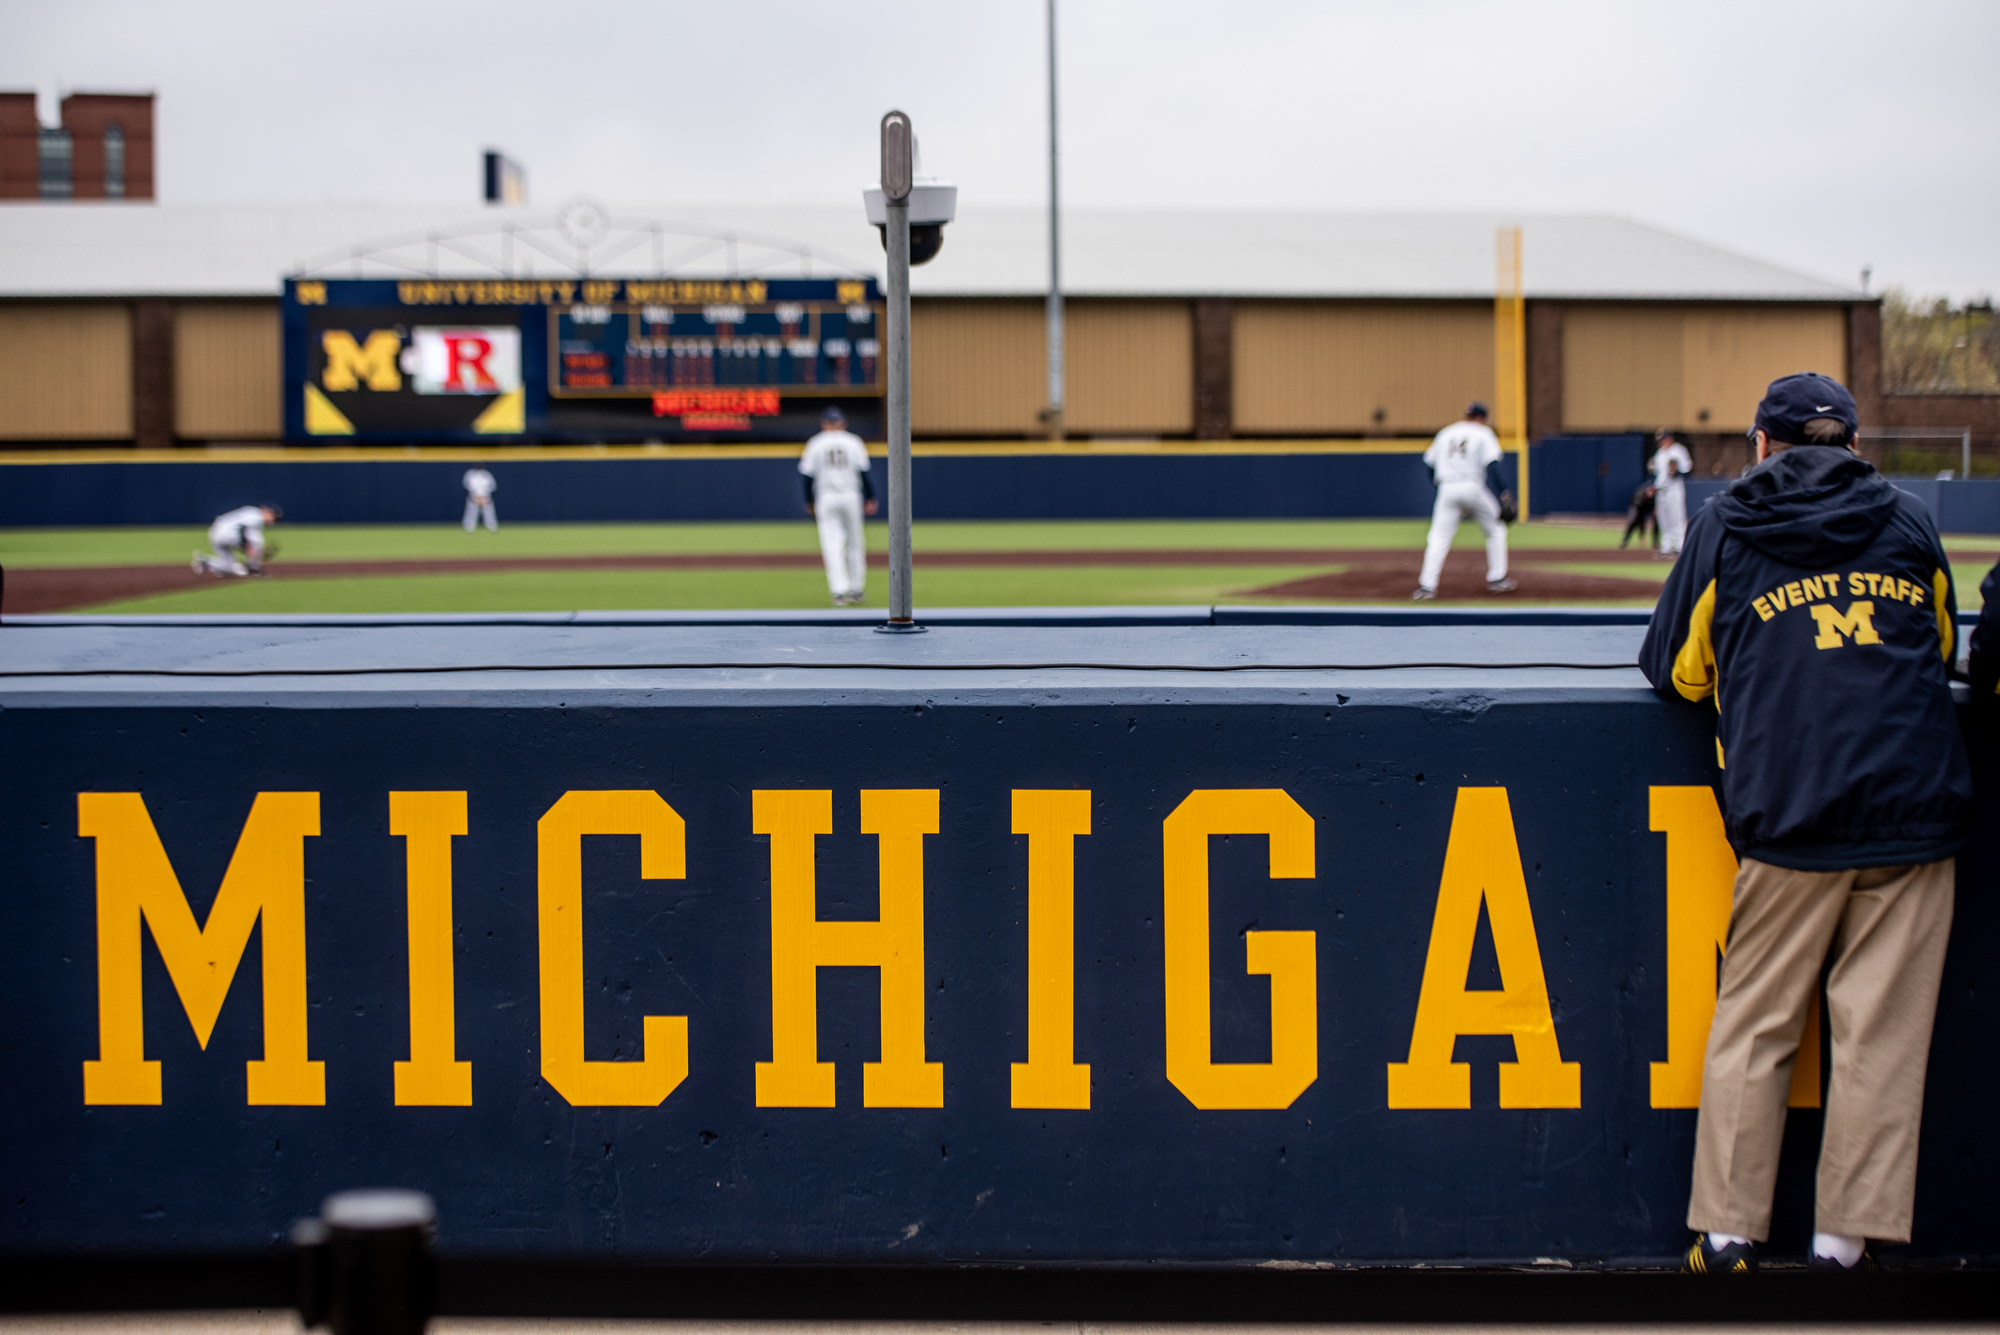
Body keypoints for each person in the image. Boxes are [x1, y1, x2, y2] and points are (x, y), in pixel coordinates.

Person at [1640, 372, 1971, 1274]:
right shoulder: (1908, 520)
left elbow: (1674, 668)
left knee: (1754, 1025)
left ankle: (1730, 1234)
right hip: (1914, 804)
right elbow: (1940, 648)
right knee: (1881, 1038)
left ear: (1760, 444)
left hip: (1791, 807)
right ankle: (1840, 1247)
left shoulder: (1724, 524)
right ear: (1854, 444)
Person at [1412, 401, 1515, 601]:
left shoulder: (1445, 433)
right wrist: (1504, 493)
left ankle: (1427, 587)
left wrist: (1443, 488)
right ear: (1482, 418)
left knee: (1438, 538)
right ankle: (1497, 579)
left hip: (1446, 488)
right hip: (1472, 486)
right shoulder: (1483, 432)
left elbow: (1430, 467)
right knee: (1495, 530)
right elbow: (1492, 466)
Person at [799, 406, 877, 606]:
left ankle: (838, 591)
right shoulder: (853, 441)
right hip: (851, 495)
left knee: (831, 545)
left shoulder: (816, 442)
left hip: (826, 497)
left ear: (824, 423)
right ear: (843, 422)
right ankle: (856, 589)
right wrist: (870, 497)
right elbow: (863, 473)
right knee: (855, 542)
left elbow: (807, 477)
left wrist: (809, 502)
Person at [192, 504, 281, 577]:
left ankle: (205, 562)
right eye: (273, 516)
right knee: (257, 540)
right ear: (266, 511)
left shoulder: (253, 513)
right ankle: (253, 569)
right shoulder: (257, 516)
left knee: (229, 568)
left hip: (216, 532)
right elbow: (242, 529)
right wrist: (247, 547)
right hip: (226, 532)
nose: (273, 520)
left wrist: (247, 548)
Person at [1649, 429, 1693, 559]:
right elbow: (1658, 475)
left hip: (1674, 489)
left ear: (1669, 438)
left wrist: (1677, 472)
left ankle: (1679, 547)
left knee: (1677, 518)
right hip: (1661, 490)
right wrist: (1653, 487)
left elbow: (1687, 468)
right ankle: (1665, 548)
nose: (1661, 442)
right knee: (1663, 520)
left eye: (1663, 439)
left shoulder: (1679, 450)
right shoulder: (1659, 454)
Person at [1620, 478, 1658, 550]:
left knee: (1656, 522)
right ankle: (1625, 542)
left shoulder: (1655, 497)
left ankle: (1655, 543)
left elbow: (1654, 507)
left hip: (1646, 508)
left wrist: (1654, 512)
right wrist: (1642, 533)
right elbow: (1639, 514)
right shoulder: (1640, 495)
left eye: (1653, 491)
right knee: (1634, 521)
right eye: (1650, 491)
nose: (1651, 493)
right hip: (1636, 507)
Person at [462, 465, 498, 532]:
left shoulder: (487, 475)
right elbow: (467, 484)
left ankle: (492, 527)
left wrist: (484, 496)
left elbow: (492, 486)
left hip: (485, 497)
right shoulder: (470, 474)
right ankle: (469, 527)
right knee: (471, 512)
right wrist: (476, 496)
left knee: (488, 513)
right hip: (474, 496)